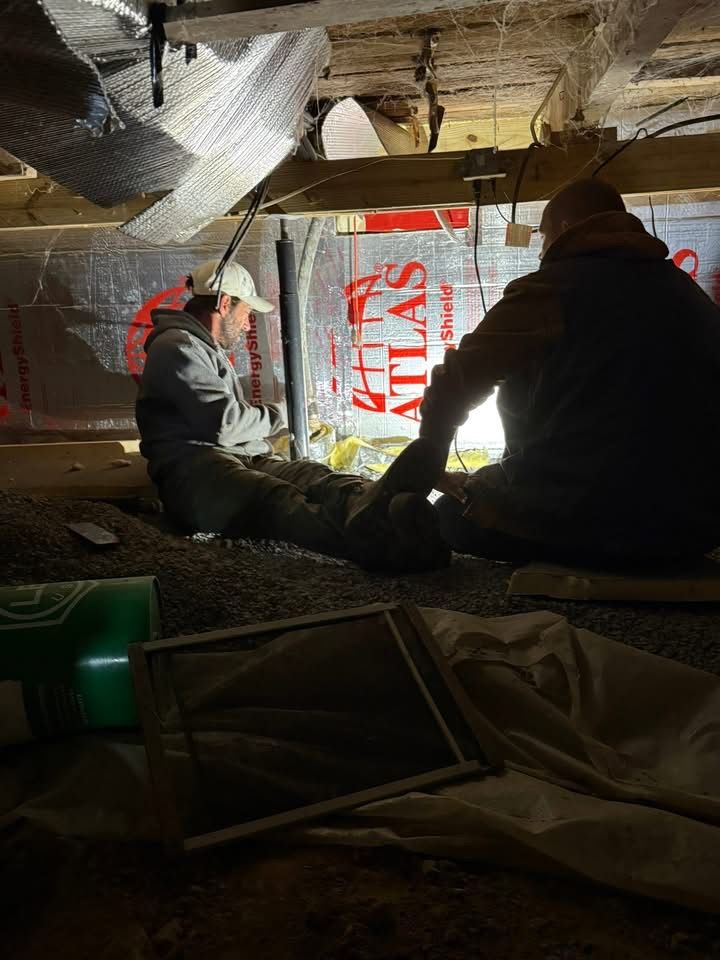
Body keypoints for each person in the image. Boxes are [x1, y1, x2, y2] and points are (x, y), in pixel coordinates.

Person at [417, 178, 720, 565]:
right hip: (691, 529)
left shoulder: (550, 290)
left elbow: (458, 379)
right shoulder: (687, 293)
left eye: (542, 237)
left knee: (446, 515)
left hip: (584, 517)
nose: (541, 250)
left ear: (563, 230)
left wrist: (428, 460)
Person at [135, 259, 449, 572]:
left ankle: (376, 500)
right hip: (194, 478)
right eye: (247, 313)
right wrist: (284, 413)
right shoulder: (177, 348)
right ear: (225, 303)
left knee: (314, 476)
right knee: (277, 499)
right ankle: (387, 546)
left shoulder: (201, 348)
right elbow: (225, 425)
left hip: (237, 460)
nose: (247, 325)